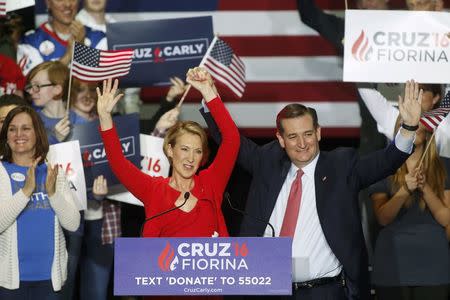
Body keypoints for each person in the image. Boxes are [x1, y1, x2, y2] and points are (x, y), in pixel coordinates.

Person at [201, 81, 422, 300]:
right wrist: (209, 95)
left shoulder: (341, 166)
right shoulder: (266, 162)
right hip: (268, 288)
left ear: (318, 132)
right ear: (280, 139)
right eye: (292, 136)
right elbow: (229, 139)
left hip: (325, 292)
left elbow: (386, 161)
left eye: (307, 134)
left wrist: (409, 127)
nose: (302, 143)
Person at [98, 67, 239, 238]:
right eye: (185, 149)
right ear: (170, 150)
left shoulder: (211, 183)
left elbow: (232, 139)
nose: (191, 158)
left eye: (198, 151)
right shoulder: (153, 190)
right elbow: (119, 164)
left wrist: (207, 91)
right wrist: (105, 117)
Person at [0, 105, 80, 299]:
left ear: (38, 133)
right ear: (6, 135)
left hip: (50, 281)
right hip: (9, 282)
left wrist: (53, 194)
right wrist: (26, 191)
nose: (19, 134)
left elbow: (73, 223)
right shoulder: (1, 172)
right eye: (12, 129)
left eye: (26, 128)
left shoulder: (54, 172)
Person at [369, 121, 450, 300]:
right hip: (392, 265)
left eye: (419, 122)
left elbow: (445, 218)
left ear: (429, 130)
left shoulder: (444, 166)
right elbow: (383, 218)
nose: (415, 126)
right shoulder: (382, 167)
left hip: (434, 266)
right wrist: (405, 189)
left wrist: (425, 187)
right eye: (409, 122)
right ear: (399, 128)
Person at [17, 0, 106, 75]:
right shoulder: (31, 41)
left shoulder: (98, 38)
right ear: (48, 2)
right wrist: (69, 54)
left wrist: (82, 50)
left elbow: (103, 81)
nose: (67, 4)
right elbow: (33, 86)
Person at [358, 86, 450, 158]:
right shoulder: (396, 119)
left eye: (422, 90)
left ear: (435, 97)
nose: (415, 95)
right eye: (403, 125)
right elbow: (363, 83)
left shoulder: (443, 127)